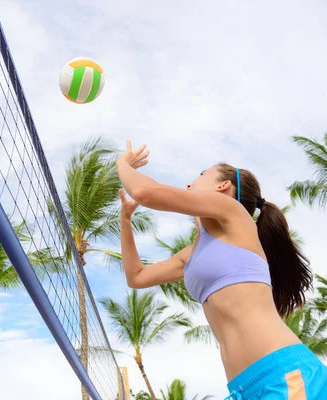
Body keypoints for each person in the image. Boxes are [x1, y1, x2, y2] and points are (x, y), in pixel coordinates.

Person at [115, 140, 327, 399]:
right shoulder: (192, 255)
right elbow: (136, 277)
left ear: (223, 186)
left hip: (284, 376)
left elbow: (144, 192)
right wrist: (125, 221)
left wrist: (122, 164)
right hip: (242, 388)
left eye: (201, 174)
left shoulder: (232, 212)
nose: (190, 184)